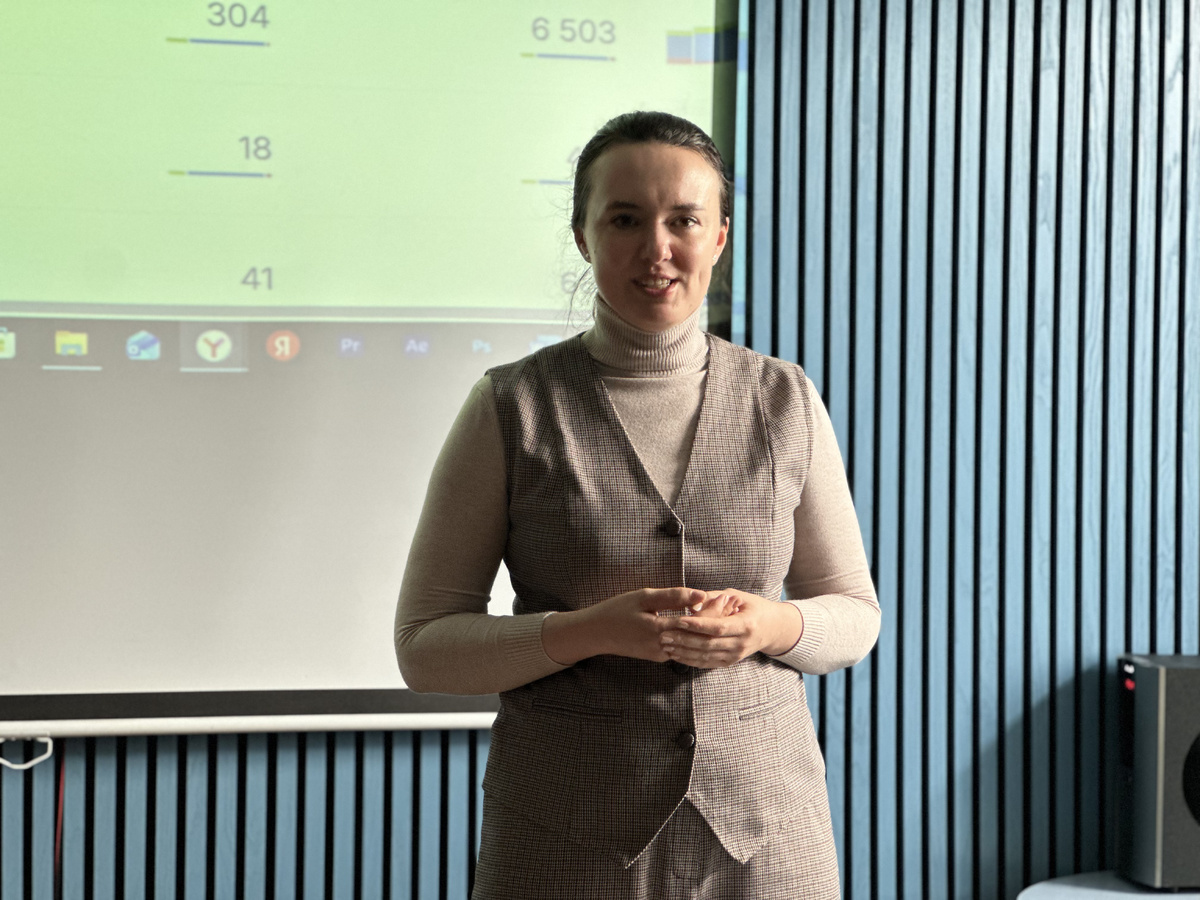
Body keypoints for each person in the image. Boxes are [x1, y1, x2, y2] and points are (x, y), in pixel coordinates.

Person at [395, 110, 879, 899]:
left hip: (768, 836)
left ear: (719, 237)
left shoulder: (785, 399)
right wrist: (589, 632)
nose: (657, 248)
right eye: (625, 220)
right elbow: (424, 647)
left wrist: (769, 625)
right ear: (583, 237)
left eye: (684, 219)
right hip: (560, 836)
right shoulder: (511, 407)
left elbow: (855, 614)